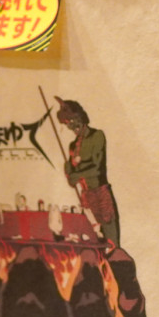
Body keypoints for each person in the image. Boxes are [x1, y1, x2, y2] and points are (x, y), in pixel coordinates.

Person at [56, 97, 119, 247]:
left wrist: (76, 175)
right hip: (86, 198)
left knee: (111, 241)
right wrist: (68, 170)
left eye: (72, 120)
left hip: (101, 194)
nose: (71, 126)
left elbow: (97, 169)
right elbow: (72, 181)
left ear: (80, 117)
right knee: (93, 238)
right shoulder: (73, 146)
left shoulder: (97, 136)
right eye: (67, 123)